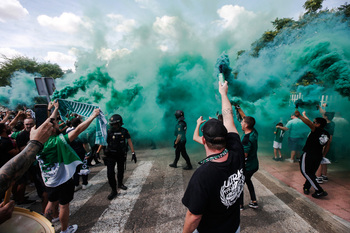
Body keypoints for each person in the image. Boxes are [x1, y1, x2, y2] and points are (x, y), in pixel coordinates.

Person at [182, 81, 245, 233]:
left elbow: (194, 216)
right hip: (234, 227)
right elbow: (229, 118)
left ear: (203, 140)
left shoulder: (203, 175)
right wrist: (224, 93)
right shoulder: (237, 151)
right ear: (226, 137)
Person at [37, 100, 100, 233]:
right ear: (52, 129)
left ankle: (45, 227)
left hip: (49, 180)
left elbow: (47, 123)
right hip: (62, 180)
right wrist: (93, 116)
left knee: (51, 201)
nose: (58, 123)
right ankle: (65, 230)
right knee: (64, 205)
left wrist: (54, 109)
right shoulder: (57, 141)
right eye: (55, 123)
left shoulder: (38, 141)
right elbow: (78, 130)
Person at [0, 118, 55, 224]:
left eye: (31, 123)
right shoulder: (19, 136)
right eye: (27, 124)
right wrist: (35, 143)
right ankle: (20, 199)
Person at [295, 110, 330, 198]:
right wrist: (323, 155)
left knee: (305, 172)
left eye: (314, 122)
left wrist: (300, 116)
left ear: (318, 124)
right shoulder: (326, 133)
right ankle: (306, 187)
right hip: (318, 155)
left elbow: (309, 124)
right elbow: (327, 146)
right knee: (311, 173)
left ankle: (319, 190)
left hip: (309, 154)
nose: (313, 123)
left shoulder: (316, 130)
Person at [103, 114, 136, 200]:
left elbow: (129, 141)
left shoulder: (124, 131)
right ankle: (114, 190)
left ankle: (120, 184)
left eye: (116, 124)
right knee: (110, 173)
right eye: (112, 124)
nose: (114, 126)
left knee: (120, 170)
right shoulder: (109, 131)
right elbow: (104, 142)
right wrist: (98, 151)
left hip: (121, 154)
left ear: (120, 123)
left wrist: (133, 152)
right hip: (110, 155)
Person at [235, 105, 259, 209]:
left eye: (242, 122)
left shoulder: (246, 139)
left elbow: (244, 155)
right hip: (254, 165)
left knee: (239, 184)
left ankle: (240, 205)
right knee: (248, 180)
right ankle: (254, 201)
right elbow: (245, 117)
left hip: (247, 166)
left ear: (246, 125)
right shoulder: (254, 131)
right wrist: (238, 108)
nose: (241, 122)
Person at [66, 118, 92, 191]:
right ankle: (84, 184)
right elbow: (85, 144)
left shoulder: (68, 131)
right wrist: (88, 153)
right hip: (81, 153)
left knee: (75, 169)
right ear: (78, 124)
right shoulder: (81, 133)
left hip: (73, 153)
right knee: (83, 167)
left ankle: (76, 184)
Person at [316, 104, 335, 183]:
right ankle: (324, 176)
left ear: (326, 117)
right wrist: (320, 107)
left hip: (323, 144)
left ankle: (319, 177)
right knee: (324, 160)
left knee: (319, 160)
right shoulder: (332, 123)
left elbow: (323, 114)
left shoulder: (325, 125)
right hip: (328, 143)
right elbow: (323, 113)